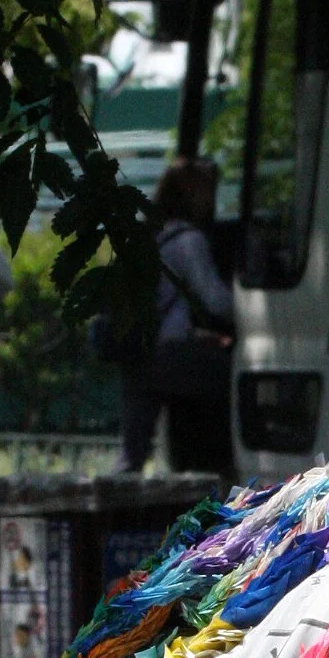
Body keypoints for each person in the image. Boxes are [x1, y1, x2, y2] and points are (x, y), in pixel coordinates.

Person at [118, 156, 235, 476]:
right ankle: (219, 472)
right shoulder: (188, 241)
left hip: (135, 350)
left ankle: (111, 517)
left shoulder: (147, 237)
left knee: (131, 456)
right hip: (170, 356)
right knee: (235, 376)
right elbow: (216, 302)